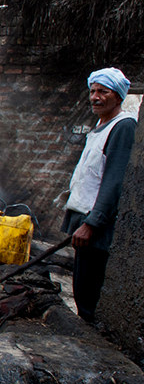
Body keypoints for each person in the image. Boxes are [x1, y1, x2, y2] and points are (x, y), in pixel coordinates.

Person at [60, 67, 137, 322]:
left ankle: (93, 346)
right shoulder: (99, 127)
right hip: (85, 218)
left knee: (90, 291)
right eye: (93, 91)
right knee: (81, 286)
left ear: (118, 96)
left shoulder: (123, 127)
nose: (95, 97)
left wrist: (91, 224)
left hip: (98, 225)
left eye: (103, 91)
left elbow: (114, 181)